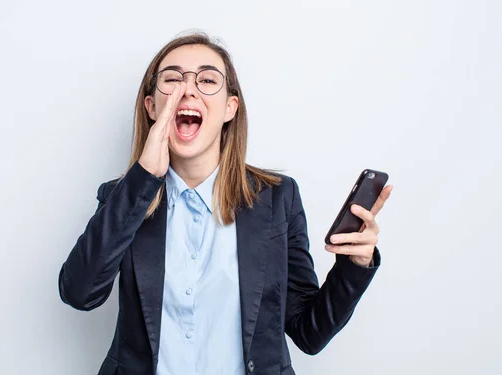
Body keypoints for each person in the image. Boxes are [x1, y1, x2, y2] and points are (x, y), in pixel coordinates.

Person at [58, 31, 393, 375]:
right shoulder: (122, 197)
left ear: (230, 107)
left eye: (207, 80)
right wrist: (142, 180)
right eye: (172, 79)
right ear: (151, 106)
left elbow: (310, 333)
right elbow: (79, 293)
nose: (187, 89)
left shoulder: (277, 199)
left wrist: (355, 263)